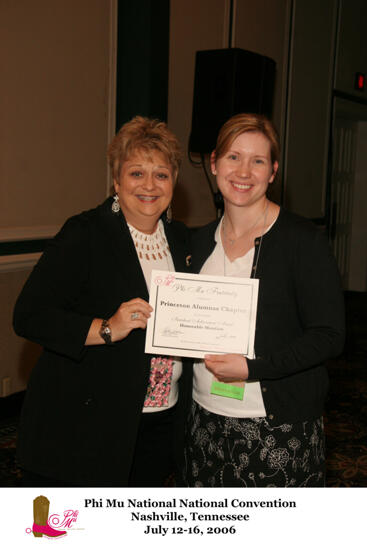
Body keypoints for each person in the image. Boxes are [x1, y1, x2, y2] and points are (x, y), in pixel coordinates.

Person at [13, 116, 192, 487]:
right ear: (116, 180)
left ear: (174, 181)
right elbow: (29, 316)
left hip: (160, 418)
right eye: (136, 173)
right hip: (89, 424)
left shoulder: (184, 242)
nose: (149, 185)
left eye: (161, 174)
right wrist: (107, 328)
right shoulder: (85, 234)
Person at [184, 113, 345, 487]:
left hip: (278, 427)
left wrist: (253, 368)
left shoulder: (302, 242)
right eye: (233, 157)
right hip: (204, 420)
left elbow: (329, 335)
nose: (244, 171)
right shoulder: (195, 242)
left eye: (258, 161)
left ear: (273, 171)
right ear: (214, 163)